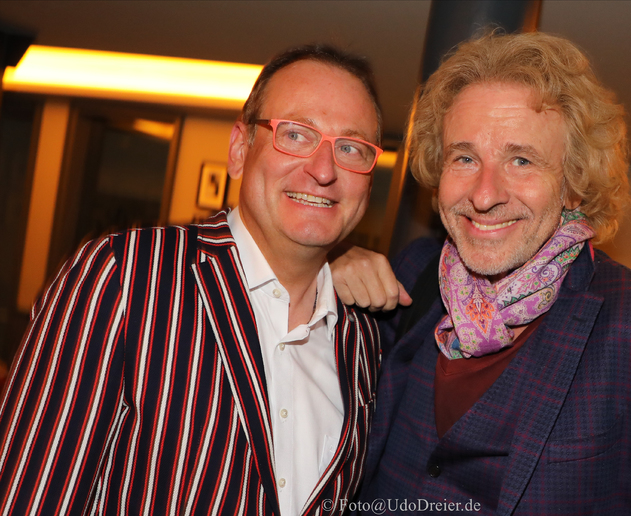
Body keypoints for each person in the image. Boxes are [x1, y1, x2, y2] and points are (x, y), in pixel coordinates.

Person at [331, 32, 631, 514]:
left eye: (521, 160)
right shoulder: (411, 272)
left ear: (574, 184)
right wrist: (326, 268)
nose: (485, 195)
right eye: (465, 157)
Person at [0, 44, 382, 515]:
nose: (324, 170)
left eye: (350, 148)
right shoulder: (125, 277)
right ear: (240, 151)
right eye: (296, 135)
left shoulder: (365, 341)